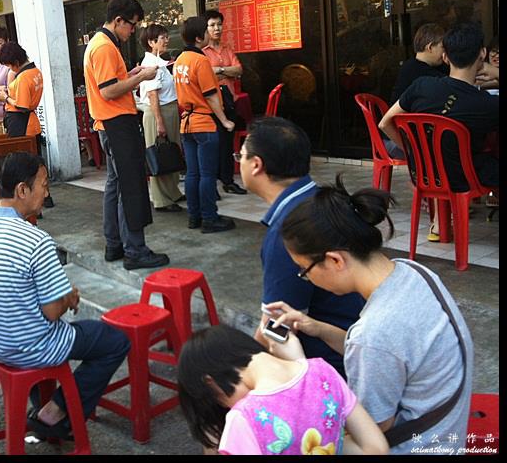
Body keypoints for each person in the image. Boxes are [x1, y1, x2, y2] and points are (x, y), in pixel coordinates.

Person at [269, 176, 473, 455]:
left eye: (304, 271)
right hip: (449, 432)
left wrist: (300, 367)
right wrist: (315, 327)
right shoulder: (413, 272)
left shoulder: (374, 333)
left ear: (335, 260)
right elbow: (390, 353)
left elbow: (371, 433)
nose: (306, 279)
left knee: (289, 437)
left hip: (418, 446)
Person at [0, 151, 130, 440]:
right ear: (22, 190)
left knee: (38, 327)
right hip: (28, 346)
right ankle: (59, 413)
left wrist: (61, 297)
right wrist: (67, 298)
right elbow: (52, 311)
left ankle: (43, 408)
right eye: (43, 184)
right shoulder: (35, 240)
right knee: (114, 341)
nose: (47, 191)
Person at [237, 117, 363, 377]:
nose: (239, 162)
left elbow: (276, 328)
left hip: (333, 368)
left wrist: (242, 368)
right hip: (355, 343)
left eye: (241, 156)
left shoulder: (289, 232)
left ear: (256, 165)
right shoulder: (322, 199)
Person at [177, 325, 388, 455]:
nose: (225, 406)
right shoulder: (323, 372)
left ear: (210, 383)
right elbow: (375, 448)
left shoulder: (243, 418)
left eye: (218, 402)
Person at [379, 22, 499, 237]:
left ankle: (439, 224)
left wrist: (413, 151)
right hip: (462, 178)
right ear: (482, 54)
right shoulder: (485, 104)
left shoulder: (422, 85)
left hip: (423, 174)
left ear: (445, 57)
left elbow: (384, 123)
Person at [83, 0, 169, 270]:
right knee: (131, 186)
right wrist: (142, 77)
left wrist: (130, 75)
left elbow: (109, 84)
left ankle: (114, 244)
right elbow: (108, 91)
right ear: (118, 20)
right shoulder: (105, 47)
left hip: (108, 123)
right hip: (116, 122)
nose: (132, 31)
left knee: (115, 185)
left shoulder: (100, 43)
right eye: (131, 25)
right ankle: (135, 249)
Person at [174, 16, 236, 234]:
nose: (211, 33)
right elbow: (211, 96)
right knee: (208, 174)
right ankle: (210, 218)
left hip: (187, 124)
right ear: (200, 37)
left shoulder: (180, 59)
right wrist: (225, 120)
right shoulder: (201, 61)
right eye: (207, 31)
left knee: (193, 173)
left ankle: (194, 216)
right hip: (204, 122)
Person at [0, 41, 54, 208]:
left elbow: (22, 106)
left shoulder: (22, 77)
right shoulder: (36, 72)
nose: (9, 69)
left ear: (15, 62)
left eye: (9, 65)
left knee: (21, 165)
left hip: (21, 122)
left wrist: (4, 97)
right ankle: (46, 195)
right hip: (31, 121)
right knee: (35, 161)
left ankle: (29, 200)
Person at [137, 23, 184, 212]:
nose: (167, 40)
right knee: (159, 154)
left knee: (171, 151)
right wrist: (159, 122)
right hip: (159, 112)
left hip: (169, 110)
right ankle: (161, 199)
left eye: (166, 36)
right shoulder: (150, 64)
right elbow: (153, 95)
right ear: (151, 42)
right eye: (162, 38)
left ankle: (172, 191)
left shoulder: (160, 61)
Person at [202, 9, 247, 196]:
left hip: (229, 101)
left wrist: (219, 70)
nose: (217, 28)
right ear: (205, 28)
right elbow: (205, 74)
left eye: (219, 24)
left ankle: (228, 181)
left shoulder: (227, 49)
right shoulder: (202, 52)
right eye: (212, 25)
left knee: (228, 142)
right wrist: (224, 70)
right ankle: (212, 185)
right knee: (213, 144)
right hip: (211, 103)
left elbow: (238, 70)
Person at [389, 23, 448, 104]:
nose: (445, 52)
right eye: (443, 47)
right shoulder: (418, 71)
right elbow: (453, 86)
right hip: (408, 116)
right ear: (430, 47)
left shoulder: (411, 64)